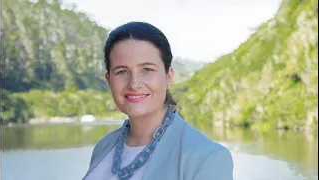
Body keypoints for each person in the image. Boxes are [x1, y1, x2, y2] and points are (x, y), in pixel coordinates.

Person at [82, 21, 234, 180]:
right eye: (122, 71)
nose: (134, 84)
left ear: (168, 76)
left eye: (147, 69)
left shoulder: (206, 157)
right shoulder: (103, 147)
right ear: (109, 80)